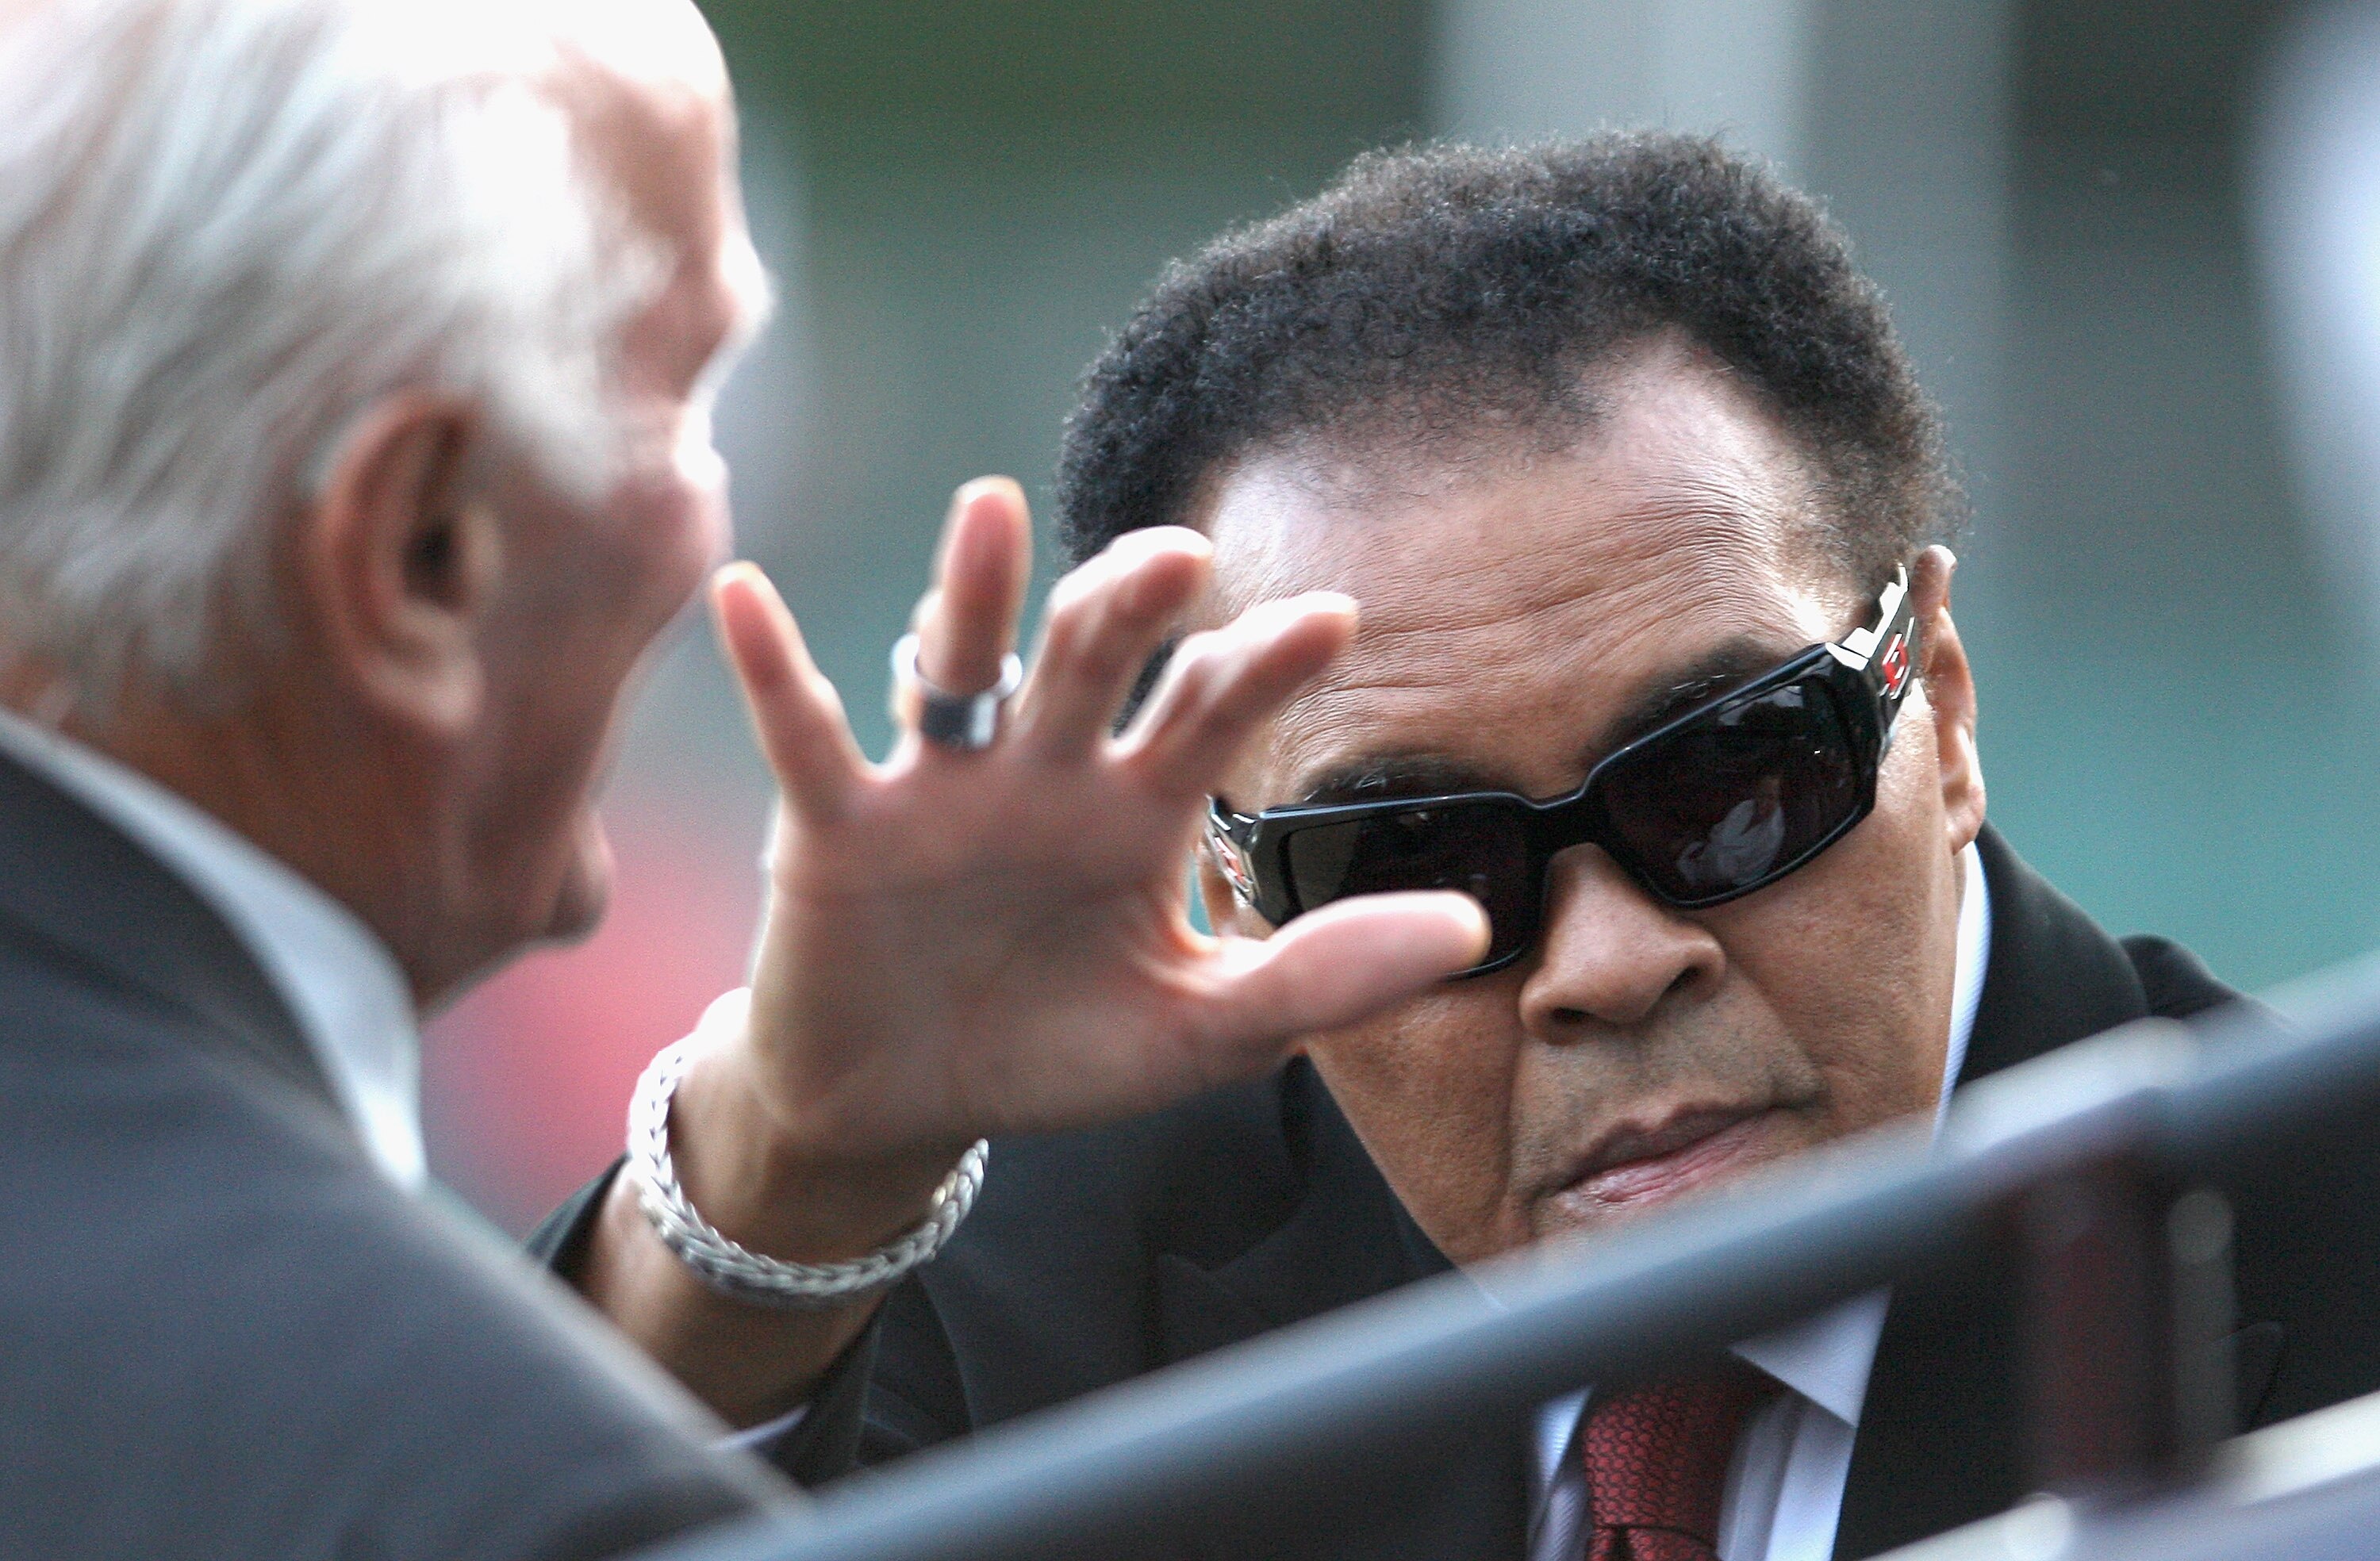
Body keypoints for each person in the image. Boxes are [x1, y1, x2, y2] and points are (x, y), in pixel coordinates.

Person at [540, 138, 2380, 1559]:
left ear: (1944, 710)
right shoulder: (1048, 1281)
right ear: (1226, 891)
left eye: (1734, 777)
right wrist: (788, 1155)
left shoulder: (2329, 1254)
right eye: (1414, 863)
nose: (1607, 959)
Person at [0, 0, 1491, 1555]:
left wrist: (790, 1165)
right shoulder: (473, 1488)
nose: (734, 512)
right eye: (691, 394)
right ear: (416, 548)